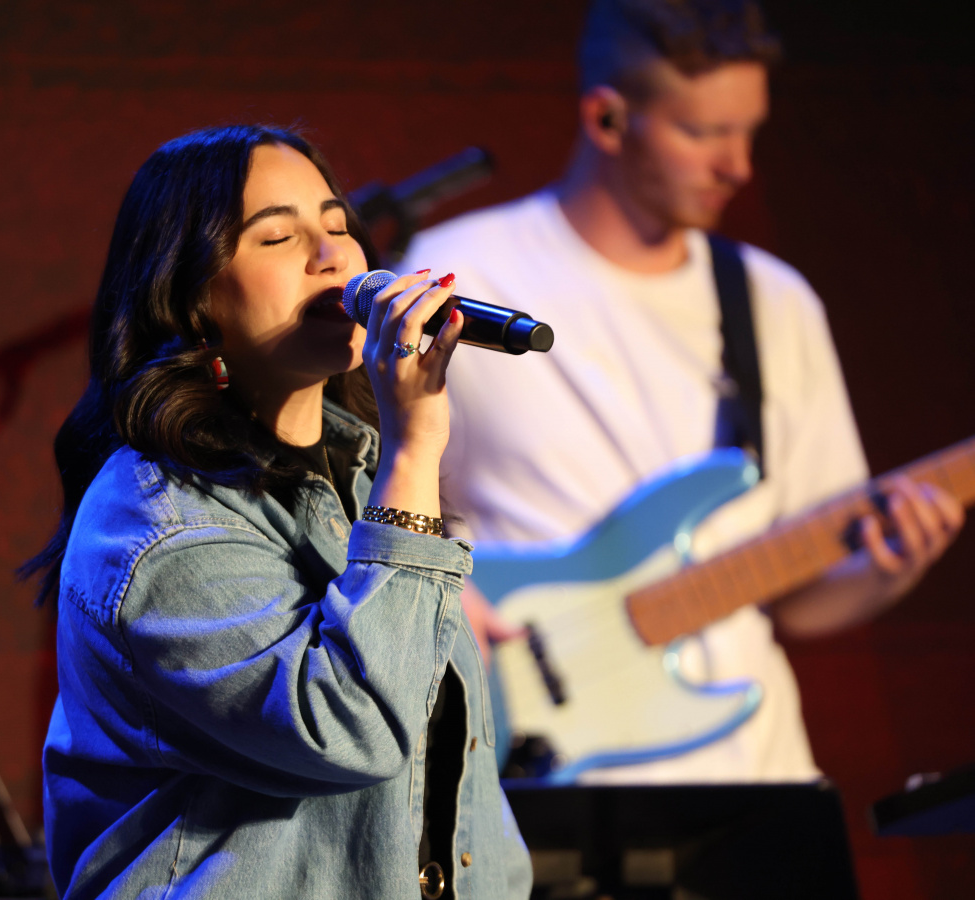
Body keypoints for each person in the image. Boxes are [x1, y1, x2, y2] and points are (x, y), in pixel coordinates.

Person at [400, 0, 964, 783]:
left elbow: (800, 599)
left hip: (756, 776)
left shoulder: (771, 300)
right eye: (703, 133)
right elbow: (364, 500)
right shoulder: (463, 276)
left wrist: (890, 566)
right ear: (606, 120)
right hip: (540, 780)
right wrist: (429, 594)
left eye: (748, 131)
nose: (738, 165)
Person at [24, 125, 532, 899]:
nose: (332, 256)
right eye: (277, 236)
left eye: (337, 225)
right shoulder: (156, 527)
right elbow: (352, 728)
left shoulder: (360, 479)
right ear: (192, 298)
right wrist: (414, 451)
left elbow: (450, 779)